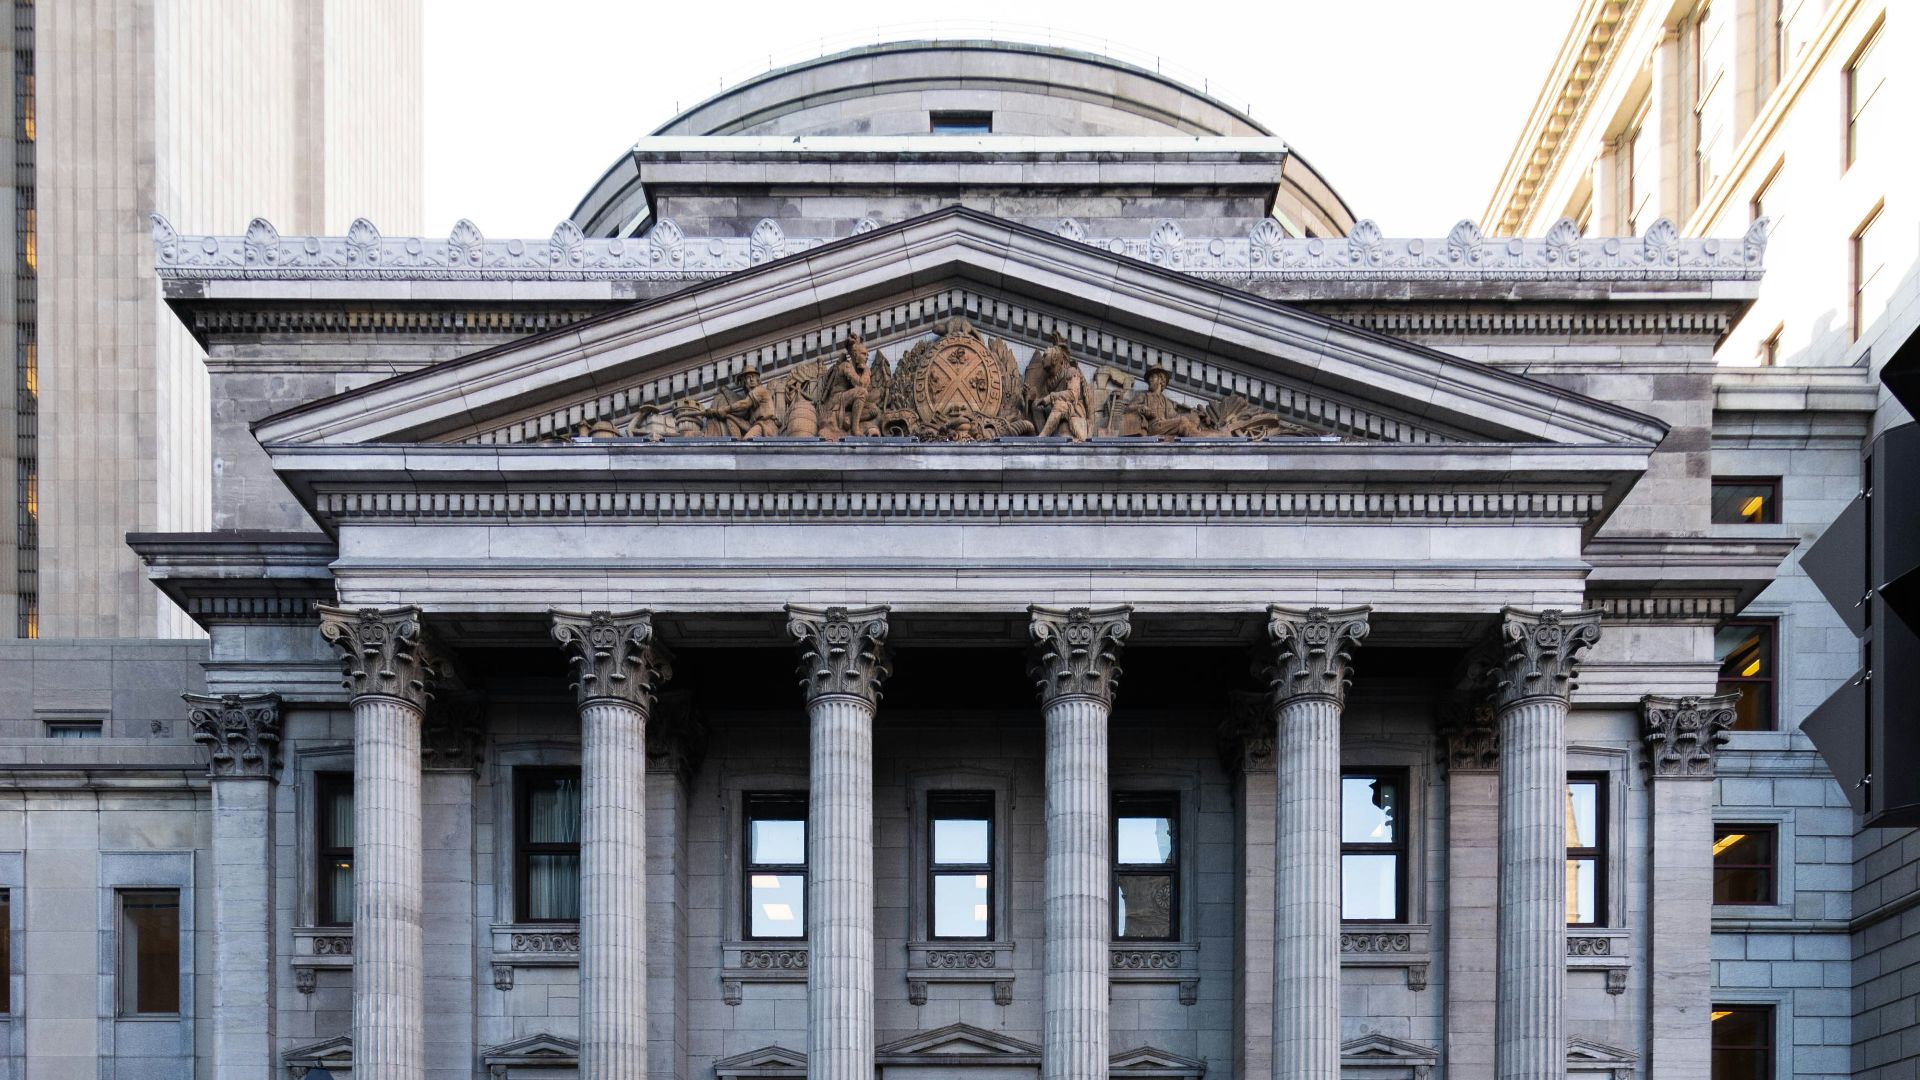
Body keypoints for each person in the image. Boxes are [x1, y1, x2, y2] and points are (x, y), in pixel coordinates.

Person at [820, 332, 880, 439]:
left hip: (848, 402)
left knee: (874, 410)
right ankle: (855, 428)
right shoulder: (846, 366)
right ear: (855, 355)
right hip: (837, 400)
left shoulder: (859, 370)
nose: (867, 357)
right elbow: (860, 385)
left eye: (867, 355)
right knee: (861, 392)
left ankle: (848, 419)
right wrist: (866, 371)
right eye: (864, 354)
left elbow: (866, 390)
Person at [1034, 332, 1091, 440]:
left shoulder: (1071, 371)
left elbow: (1073, 394)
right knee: (1036, 406)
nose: (1042, 359)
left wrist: (1051, 397)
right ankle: (1041, 435)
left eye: (1045, 356)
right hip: (1058, 412)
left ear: (1054, 359)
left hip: (1075, 411)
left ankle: (1042, 437)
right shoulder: (1048, 381)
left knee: (1059, 405)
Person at [1124, 366, 1208, 438]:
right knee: (1182, 421)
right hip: (1152, 427)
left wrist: (1192, 415)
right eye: (1149, 378)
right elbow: (1128, 408)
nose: (1150, 380)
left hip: (1163, 426)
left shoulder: (1166, 401)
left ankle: (1197, 434)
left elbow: (1175, 416)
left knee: (1189, 419)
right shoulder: (1143, 395)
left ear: (1161, 380)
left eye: (1153, 377)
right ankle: (1198, 437)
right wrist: (1141, 408)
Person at [706, 367, 782, 438]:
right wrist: (717, 412)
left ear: (757, 379)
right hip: (755, 425)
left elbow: (743, 404)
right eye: (748, 377)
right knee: (730, 418)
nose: (751, 380)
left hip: (766, 425)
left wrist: (725, 409)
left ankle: (740, 445)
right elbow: (741, 412)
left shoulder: (760, 390)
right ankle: (737, 442)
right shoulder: (752, 402)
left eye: (753, 377)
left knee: (747, 442)